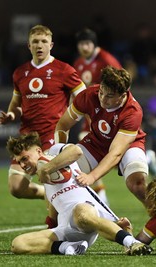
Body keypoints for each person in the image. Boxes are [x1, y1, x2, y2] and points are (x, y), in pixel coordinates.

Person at [6, 132, 153, 256]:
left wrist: (46, 168)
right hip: (66, 228)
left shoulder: (54, 151)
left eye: (25, 158)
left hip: (84, 213)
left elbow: (77, 151)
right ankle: (69, 248)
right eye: (20, 162)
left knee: (81, 214)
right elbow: (52, 205)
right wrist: (51, 226)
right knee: (18, 244)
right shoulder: (43, 177)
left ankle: (132, 243)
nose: (23, 165)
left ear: (38, 151)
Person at [0, 25, 86, 225]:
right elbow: (17, 106)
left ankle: (54, 224)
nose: (40, 45)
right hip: (26, 140)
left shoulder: (63, 69)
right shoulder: (20, 73)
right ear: (29, 45)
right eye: (35, 42)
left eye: (44, 41)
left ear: (51, 45)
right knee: (16, 188)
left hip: (51, 137)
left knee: (49, 179)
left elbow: (83, 97)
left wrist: (71, 118)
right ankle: (47, 194)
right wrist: (11, 115)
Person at [55, 66, 148, 204]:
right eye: (101, 92)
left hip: (128, 145)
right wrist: (59, 154)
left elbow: (116, 153)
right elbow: (62, 126)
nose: (103, 99)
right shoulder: (88, 95)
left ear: (123, 95)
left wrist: (92, 177)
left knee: (137, 183)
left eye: (110, 96)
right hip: (96, 142)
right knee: (62, 177)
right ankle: (57, 222)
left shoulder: (132, 111)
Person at [73, 27, 124, 205]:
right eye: (81, 43)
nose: (84, 47)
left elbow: (122, 88)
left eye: (87, 43)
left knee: (114, 156)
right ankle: (100, 195)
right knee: (86, 149)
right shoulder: (79, 63)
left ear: (94, 44)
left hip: (109, 114)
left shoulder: (106, 60)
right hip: (92, 114)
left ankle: (147, 157)